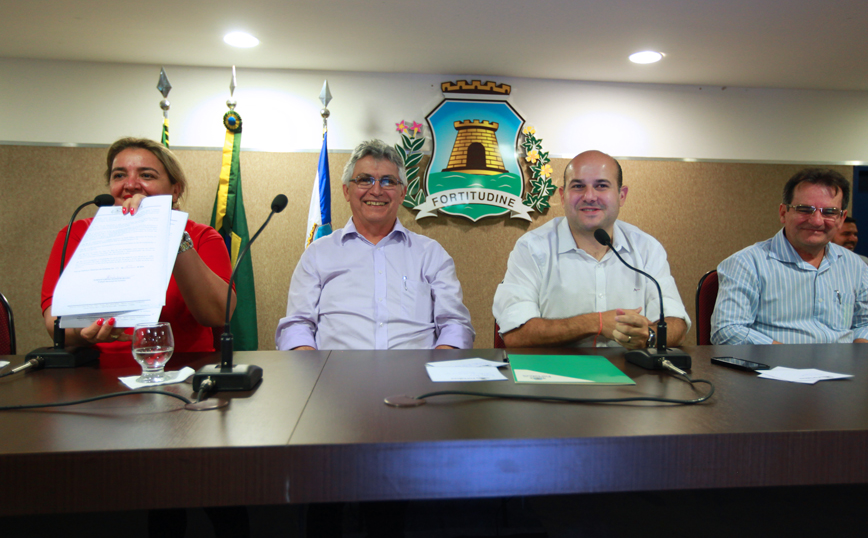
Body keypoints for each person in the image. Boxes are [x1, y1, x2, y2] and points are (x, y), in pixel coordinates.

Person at [40, 137, 236, 354]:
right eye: (119, 175)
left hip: (184, 372)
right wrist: (83, 334)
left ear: (175, 190)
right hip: (97, 375)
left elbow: (219, 314)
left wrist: (171, 231)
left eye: (146, 175)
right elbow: (55, 324)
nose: (130, 185)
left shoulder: (202, 237)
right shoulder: (76, 234)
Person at [275, 139, 474, 351]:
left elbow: (456, 326)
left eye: (388, 181)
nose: (376, 190)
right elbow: (297, 326)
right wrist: (315, 375)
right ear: (346, 191)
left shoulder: (430, 254)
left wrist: (434, 375)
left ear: (402, 193)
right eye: (364, 180)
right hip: (337, 379)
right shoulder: (318, 254)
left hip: (416, 379)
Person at [492, 150, 689, 349]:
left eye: (601, 186)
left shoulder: (647, 248)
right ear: (562, 196)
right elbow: (516, 335)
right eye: (578, 186)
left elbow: (676, 325)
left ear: (621, 196)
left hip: (633, 376)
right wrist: (598, 323)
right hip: (555, 376)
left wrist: (649, 336)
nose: (589, 196)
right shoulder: (531, 248)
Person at [711, 168, 868, 344]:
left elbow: (865, 324)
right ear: (783, 213)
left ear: (841, 218)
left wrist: (860, 360)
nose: (816, 221)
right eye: (805, 209)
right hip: (775, 367)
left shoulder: (854, 265)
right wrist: (791, 359)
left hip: (845, 368)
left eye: (829, 212)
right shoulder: (746, 263)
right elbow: (727, 331)